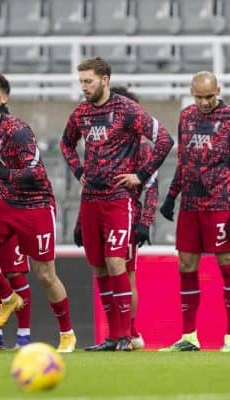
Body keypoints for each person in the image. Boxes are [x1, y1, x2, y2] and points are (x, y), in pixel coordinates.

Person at [0, 73, 75, 352]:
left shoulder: (18, 130)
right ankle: (8, 298)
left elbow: (35, 172)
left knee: (45, 275)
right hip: (8, 201)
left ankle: (67, 333)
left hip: (36, 204)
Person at [60, 57, 173, 351]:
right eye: (81, 81)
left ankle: (126, 335)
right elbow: (65, 143)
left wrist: (142, 175)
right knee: (99, 269)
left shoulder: (127, 110)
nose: (84, 87)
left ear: (105, 79)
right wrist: (79, 172)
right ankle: (113, 336)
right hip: (90, 201)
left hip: (119, 200)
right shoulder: (81, 113)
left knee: (116, 263)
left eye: (89, 81)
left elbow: (164, 139)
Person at [73, 86, 159, 350]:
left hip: (125, 212)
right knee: (107, 269)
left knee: (125, 272)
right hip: (99, 209)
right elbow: (89, 184)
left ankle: (130, 332)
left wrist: (145, 222)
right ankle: (119, 332)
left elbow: (151, 185)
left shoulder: (141, 147)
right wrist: (79, 220)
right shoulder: (101, 144)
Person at [158, 71, 230, 352]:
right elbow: (184, 161)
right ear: (191, 92)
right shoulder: (186, 117)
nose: (203, 102)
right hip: (190, 203)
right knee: (186, 265)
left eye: (209, 96)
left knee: (227, 267)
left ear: (219, 90)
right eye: (198, 96)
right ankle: (189, 337)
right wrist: (171, 196)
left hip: (220, 203)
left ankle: (229, 338)